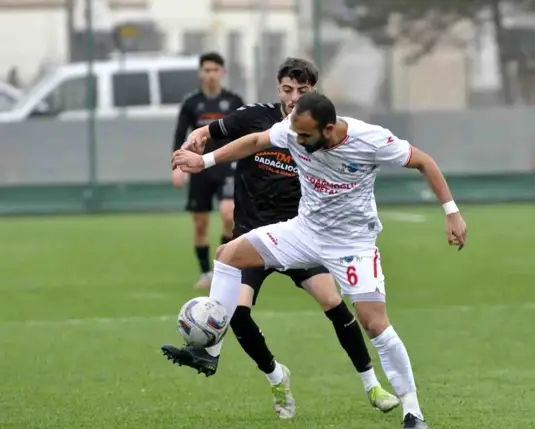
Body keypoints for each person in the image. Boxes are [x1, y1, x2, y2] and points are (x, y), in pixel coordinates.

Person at [172, 91, 468, 429]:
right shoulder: (294, 128)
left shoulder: (370, 139)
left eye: (304, 136)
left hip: (352, 243)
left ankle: (412, 412)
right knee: (227, 255)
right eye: (294, 133)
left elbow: (423, 162)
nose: (295, 140)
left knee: (374, 323)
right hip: (304, 232)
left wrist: (451, 212)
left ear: (328, 129)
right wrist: (204, 161)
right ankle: (210, 350)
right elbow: (254, 140)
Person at [163, 58, 399, 419]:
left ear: (313, 93)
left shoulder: (319, 130)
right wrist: (195, 140)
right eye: (288, 90)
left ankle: (372, 384)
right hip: (253, 238)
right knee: (235, 313)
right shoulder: (255, 117)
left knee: (334, 304)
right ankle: (275, 375)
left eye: (302, 92)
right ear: (278, 89)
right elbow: (210, 132)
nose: (293, 98)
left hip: (300, 236)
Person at [172, 52, 245, 288]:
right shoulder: (191, 103)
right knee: (200, 223)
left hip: (226, 165)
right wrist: (178, 166)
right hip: (198, 168)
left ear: (222, 73)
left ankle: (223, 269)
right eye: (207, 70)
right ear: (200, 73)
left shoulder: (234, 102)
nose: (211, 75)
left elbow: (245, 135)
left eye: (215, 70)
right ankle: (205, 273)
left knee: (227, 214)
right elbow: (179, 135)